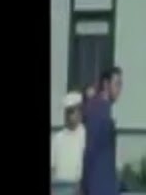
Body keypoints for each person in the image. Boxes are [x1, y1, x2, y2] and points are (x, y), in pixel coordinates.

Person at [81, 67, 123, 195]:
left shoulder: (104, 109)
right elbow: (90, 149)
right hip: (98, 185)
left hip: (106, 183)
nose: (119, 89)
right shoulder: (97, 110)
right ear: (106, 84)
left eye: (121, 85)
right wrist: (85, 186)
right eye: (117, 84)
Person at [51, 92, 86, 195]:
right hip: (59, 189)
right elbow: (52, 167)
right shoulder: (57, 138)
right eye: (66, 112)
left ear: (80, 112)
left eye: (71, 112)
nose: (67, 115)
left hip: (79, 189)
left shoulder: (87, 136)